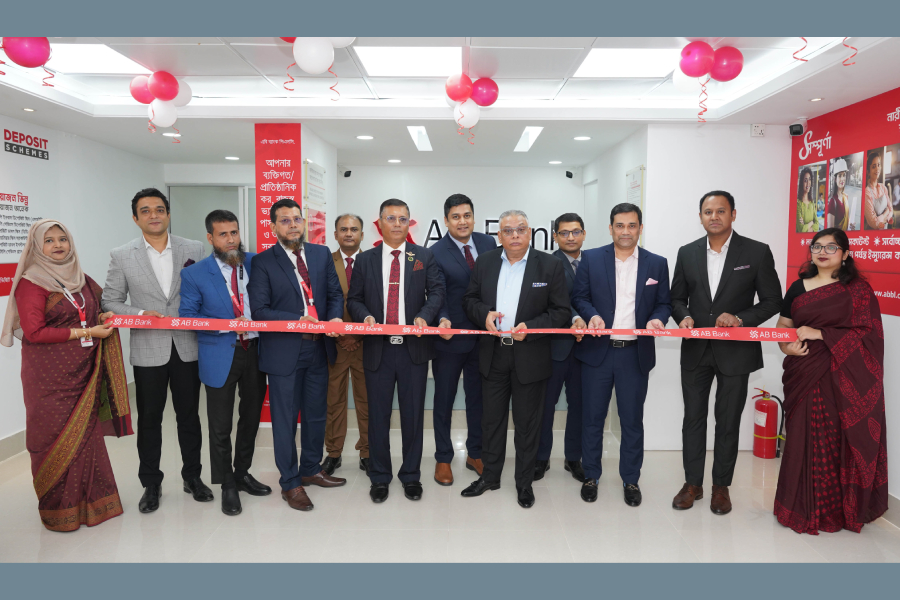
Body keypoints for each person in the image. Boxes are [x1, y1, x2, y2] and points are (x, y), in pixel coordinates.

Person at [1, 220, 132, 532]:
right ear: (36, 247)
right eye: (49, 241)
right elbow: (34, 332)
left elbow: (92, 309)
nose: (58, 245)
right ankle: (60, 510)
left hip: (83, 371)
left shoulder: (80, 278)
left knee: (86, 436)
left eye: (63, 239)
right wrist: (88, 332)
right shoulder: (31, 283)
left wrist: (103, 316)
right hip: (49, 378)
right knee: (51, 437)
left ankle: (95, 503)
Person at [670, 191, 782, 515]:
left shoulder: (757, 252)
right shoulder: (687, 252)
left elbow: (773, 300)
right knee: (693, 419)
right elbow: (676, 298)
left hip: (736, 351)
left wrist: (741, 318)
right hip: (695, 350)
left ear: (733, 214)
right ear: (700, 217)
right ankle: (693, 484)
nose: (714, 217)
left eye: (721, 211)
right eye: (708, 212)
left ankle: (721, 487)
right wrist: (683, 317)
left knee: (728, 421)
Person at [102, 188, 209, 514]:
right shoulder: (122, 255)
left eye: (159, 209)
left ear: (168, 214)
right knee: (149, 419)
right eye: (146, 210)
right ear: (136, 218)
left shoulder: (194, 248)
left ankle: (193, 477)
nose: (154, 215)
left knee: (189, 416)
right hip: (148, 348)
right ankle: (151, 483)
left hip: (187, 345)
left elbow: (207, 290)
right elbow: (110, 301)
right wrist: (139, 314)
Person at [775, 228, 887, 534]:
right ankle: (798, 507)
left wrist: (821, 334)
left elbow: (869, 335)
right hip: (804, 373)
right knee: (802, 439)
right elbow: (783, 327)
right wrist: (787, 347)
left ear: (846, 254)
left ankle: (835, 511)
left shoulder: (859, 291)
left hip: (841, 378)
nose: (822, 252)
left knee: (835, 442)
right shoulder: (797, 288)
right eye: (817, 246)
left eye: (831, 247)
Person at [460, 210, 571, 509]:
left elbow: (561, 311)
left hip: (530, 354)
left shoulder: (549, 265)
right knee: (491, 421)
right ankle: (490, 477)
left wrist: (531, 327)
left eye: (520, 229)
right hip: (493, 353)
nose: (515, 235)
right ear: (499, 235)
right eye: (508, 231)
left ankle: (524, 483)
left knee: (527, 424)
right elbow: (469, 299)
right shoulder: (485, 262)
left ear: (530, 232)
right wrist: (483, 314)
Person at [247, 198, 346, 512]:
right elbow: (260, 310)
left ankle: (311, 469)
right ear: (273, 226)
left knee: (316, 414)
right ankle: (290, 482)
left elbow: (334, 293)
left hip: (318, 346)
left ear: (304, 223)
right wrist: (295, 320)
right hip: (284, 350)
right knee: (285, 419)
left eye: (297, 219)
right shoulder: (263, 262)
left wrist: (334, 318)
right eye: (285, 220)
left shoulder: (320, 254)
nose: (292, 225)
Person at [571, 203, 671, 506]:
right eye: (619, 225)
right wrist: (591, 315)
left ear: (640, 228)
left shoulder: (657, 263)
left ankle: (631, 479)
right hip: (597, 353)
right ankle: (591, 475)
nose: (625, 231)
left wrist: (658, 320)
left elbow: (664, 303)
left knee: (631, 421)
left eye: (631, 225)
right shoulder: (590, 258)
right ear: (611, 228)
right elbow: (579, 297)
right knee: (592, 419)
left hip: (634, 354)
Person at [347, 199, 446, 503]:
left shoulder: (423, 256)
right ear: (379, 222)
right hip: (377, 349)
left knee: (413, 416)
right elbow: (354, 299)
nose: (397, 224)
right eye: (391, 218)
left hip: (413, 350)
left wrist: (425, 316)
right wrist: (365, 317)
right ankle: (379, 476)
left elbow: (437, 291)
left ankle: (411, 475)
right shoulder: (365, 260)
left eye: (403, 219)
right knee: (377, 416)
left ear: (408, 223)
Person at [179, 210, 272, 517]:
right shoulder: (194, 274)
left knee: (251, 418)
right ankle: (226, 484)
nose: (231, 240)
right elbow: (188, 317)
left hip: (256, 351)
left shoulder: (257, 263)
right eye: (223, 234)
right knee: (220, 426)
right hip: (220, 353)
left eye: (234, 233)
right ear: (210, 238)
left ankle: (242, 473)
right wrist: (227, 325)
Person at [430, 194, 497, 485]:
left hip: (484, 337)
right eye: (455, 217)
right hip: (450, 337)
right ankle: (443, 457)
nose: (462, 221)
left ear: (473, 217)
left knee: (478, 399)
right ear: (446, 221)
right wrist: (443, 318)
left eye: (467, 215)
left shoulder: (488, 243)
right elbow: (437, 291)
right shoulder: (435, 252)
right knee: (444, 399)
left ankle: (475, 453)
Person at [534, 213, 587, 483]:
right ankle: (541, 458)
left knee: (580, 406)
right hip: (553, 348)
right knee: (546, 406)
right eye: (564, 233)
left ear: (584, 234)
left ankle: (573, 458)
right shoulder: (545, 264)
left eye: (576, 232)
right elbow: (551, 303)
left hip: (587, 350)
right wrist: (575, 318)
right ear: (555, 236)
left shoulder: (594, 262)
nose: (570, 237)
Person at [322, 213, 370, 476]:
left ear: (362, 234)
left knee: (367, 402)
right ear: (335, 234)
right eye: (343, 229)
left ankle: (367, 452)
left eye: (354, 229)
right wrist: (341, 335)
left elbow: (378, 302)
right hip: (334, 343)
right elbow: (320, 300)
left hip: (366, 344)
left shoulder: (373, 261)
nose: (349, 233)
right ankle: (333, 453)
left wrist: (357, 335)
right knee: (334, 401)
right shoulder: (324, 262)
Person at [864, 149, 894, 229]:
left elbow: (891, 209)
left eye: (878, 165)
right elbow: (874, 223)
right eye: (874, 166)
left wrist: (883, 218)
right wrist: (886, 212)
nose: (877, 169)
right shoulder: (866, 193)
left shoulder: (883, 188)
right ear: (868, 171)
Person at [827, 158, 850, 230]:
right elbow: (830, 231)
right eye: (839, 176)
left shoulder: (845, 197)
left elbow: (846, 220)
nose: (842, 179)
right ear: (835, 179)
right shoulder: (832, 202)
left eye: (844, 175)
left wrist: (850, 226)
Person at [796, 167, 818, 233]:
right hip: (800, 239)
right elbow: (801, 229)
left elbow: (817, 224)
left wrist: (806, 226)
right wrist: (811, 223)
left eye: (809, 179)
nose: (808, 183)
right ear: (801, 183)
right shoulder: (798, 203)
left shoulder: (812, 203)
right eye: (805, 180)